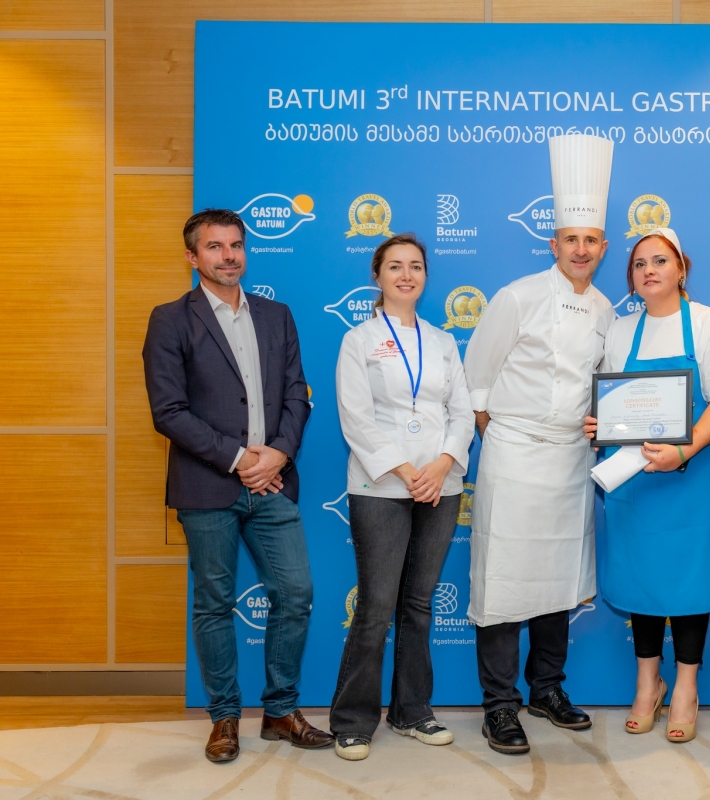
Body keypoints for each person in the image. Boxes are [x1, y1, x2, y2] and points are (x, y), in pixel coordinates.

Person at [142, 209, 332, 763]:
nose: (228, 255)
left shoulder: (276, 315)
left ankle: (280, 712)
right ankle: (224, 718)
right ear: (192, 256)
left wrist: (278, 454)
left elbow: (297, 393)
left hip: (273, 483)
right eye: (215, 246)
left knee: (295, 593)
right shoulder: (170, 320)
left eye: (236, 245)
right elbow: (168, 411)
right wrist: (237, 457)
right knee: (214, 603)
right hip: (207, 487)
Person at [463, 133, 616, 755]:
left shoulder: (607, 310)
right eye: (570, 240)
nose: (580, 250)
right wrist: (501, 433)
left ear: (603, 248)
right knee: (504, 580)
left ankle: (546, 688)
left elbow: (605, 388)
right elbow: (477, 378)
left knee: (557, 578)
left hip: (571, 460)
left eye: (591, 241)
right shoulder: (517, 296)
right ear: (553, 245)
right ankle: (498, 705)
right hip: (515, 451)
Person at [585, 228, 710, 743]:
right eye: (639, 264)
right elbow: (615, 401)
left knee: (691, 581)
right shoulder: (619, 330)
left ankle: (687, 688)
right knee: (641, 579)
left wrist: (684, 450)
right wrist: (601, 425)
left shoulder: (709, 324)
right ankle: (648, 683)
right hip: (634, 480)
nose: (648, 270)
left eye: (659, 261)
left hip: (691, 477)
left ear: (681, 269)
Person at [328, 233, 473, 761]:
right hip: (382, 486)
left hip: (440, 485)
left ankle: (412, 711)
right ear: (378, 275)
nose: (406, 275)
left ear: (425, 276)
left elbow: (461, 412)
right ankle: (352, 720)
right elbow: (356, 418)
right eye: (395, 266)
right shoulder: (359, 340)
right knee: (376, 604)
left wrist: (441, 465)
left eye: (415, 266)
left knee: (418, 603)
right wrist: (408, 471)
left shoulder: (442, 341)